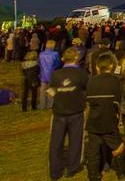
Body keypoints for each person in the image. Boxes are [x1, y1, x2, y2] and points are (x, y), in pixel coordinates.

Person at [49, 47, 89, 181]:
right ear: (76, 58)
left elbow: (50, 91)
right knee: (76, 141)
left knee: (56, 143)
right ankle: (72, 168)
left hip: (59, 112)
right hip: (76, 111)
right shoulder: (82, 74)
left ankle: (55, 172)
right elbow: (87, 89)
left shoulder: (56, 74)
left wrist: (59, 94)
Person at [85, 52, 125, 181]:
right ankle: (121, 173)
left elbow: (89, 102)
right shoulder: (116, 81)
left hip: (93, 121)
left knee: (93, 152)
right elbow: (119, 102)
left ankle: (93, 176)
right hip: (109, 120)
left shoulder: (91, 81)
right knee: (118, 147)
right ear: (111, 65)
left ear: (98, 67)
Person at [39, 39, 61, 109]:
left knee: (42, 91)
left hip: (43, 75)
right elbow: (58, 64)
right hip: (52, 74)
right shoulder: (55, 54)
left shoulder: (41, 54)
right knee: (51, 90)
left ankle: (42, 105)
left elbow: (39, 64)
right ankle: (50, 105)